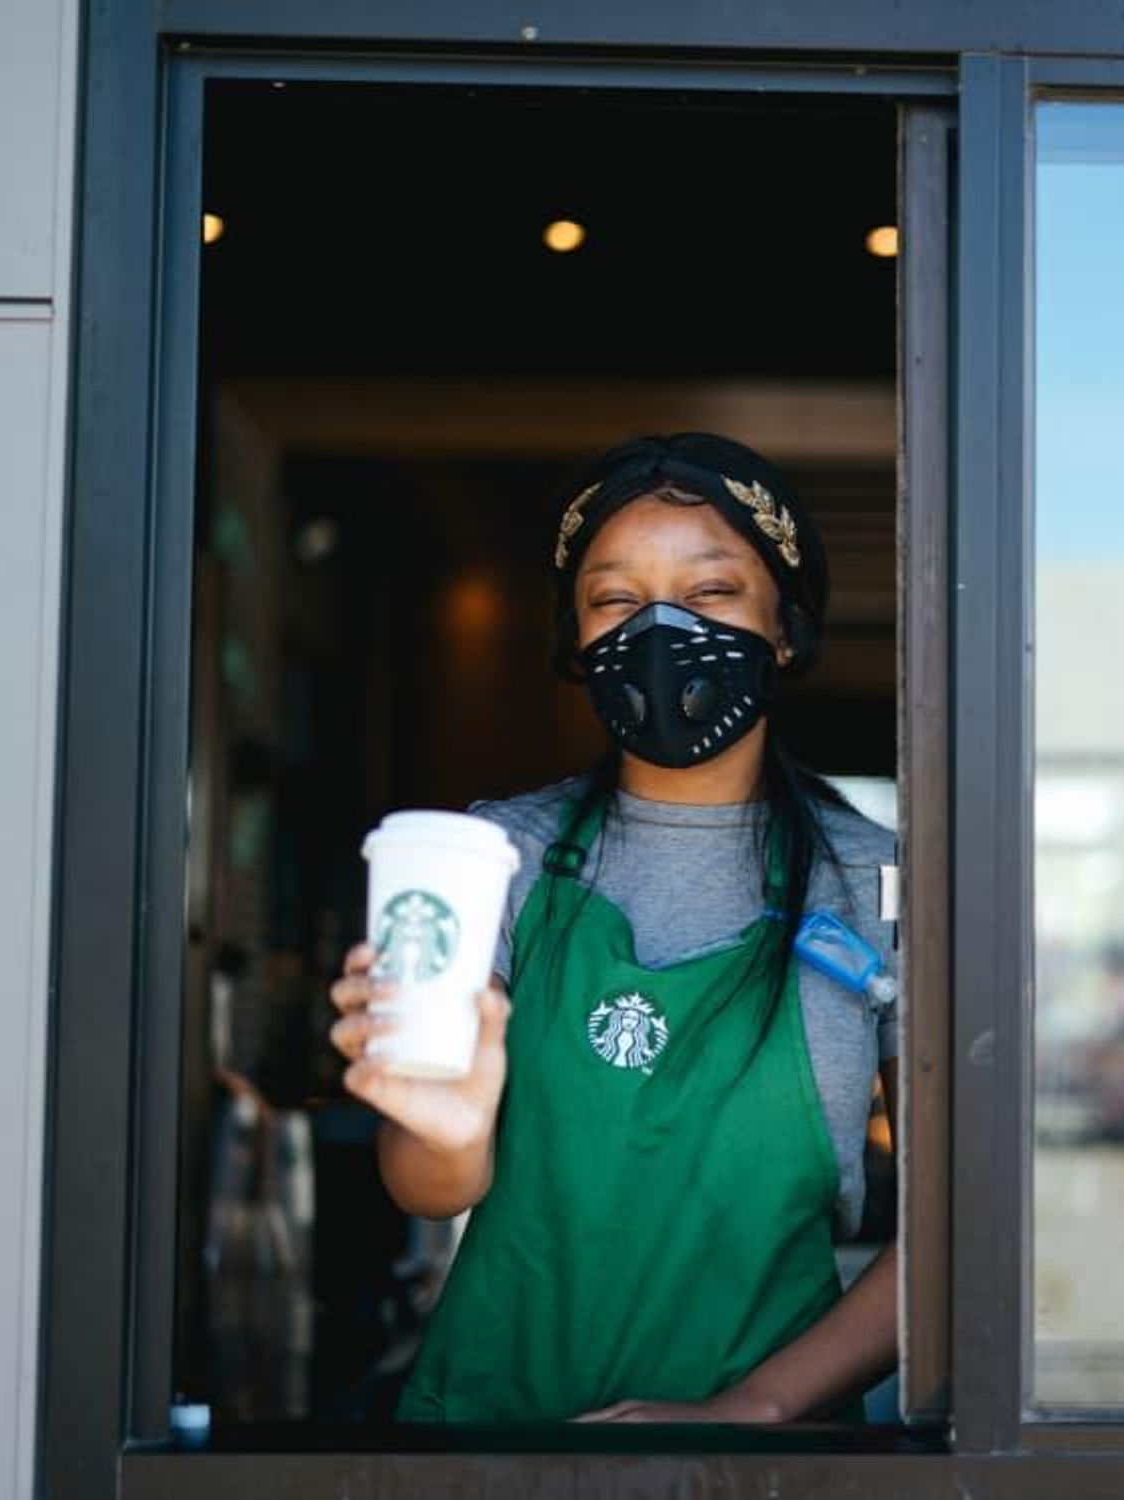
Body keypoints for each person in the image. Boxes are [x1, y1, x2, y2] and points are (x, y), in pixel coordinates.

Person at [327, 433, 900, 1424]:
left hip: (769, 1472)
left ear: (786, 629)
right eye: (615, 600)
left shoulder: (874, 882)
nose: (662, 628)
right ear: (576, 644)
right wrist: (444, 1128)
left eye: (712, 593)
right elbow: (425, 1187)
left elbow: (956, 1229)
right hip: (489, 1444)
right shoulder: (491, 857)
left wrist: (752, 1411)